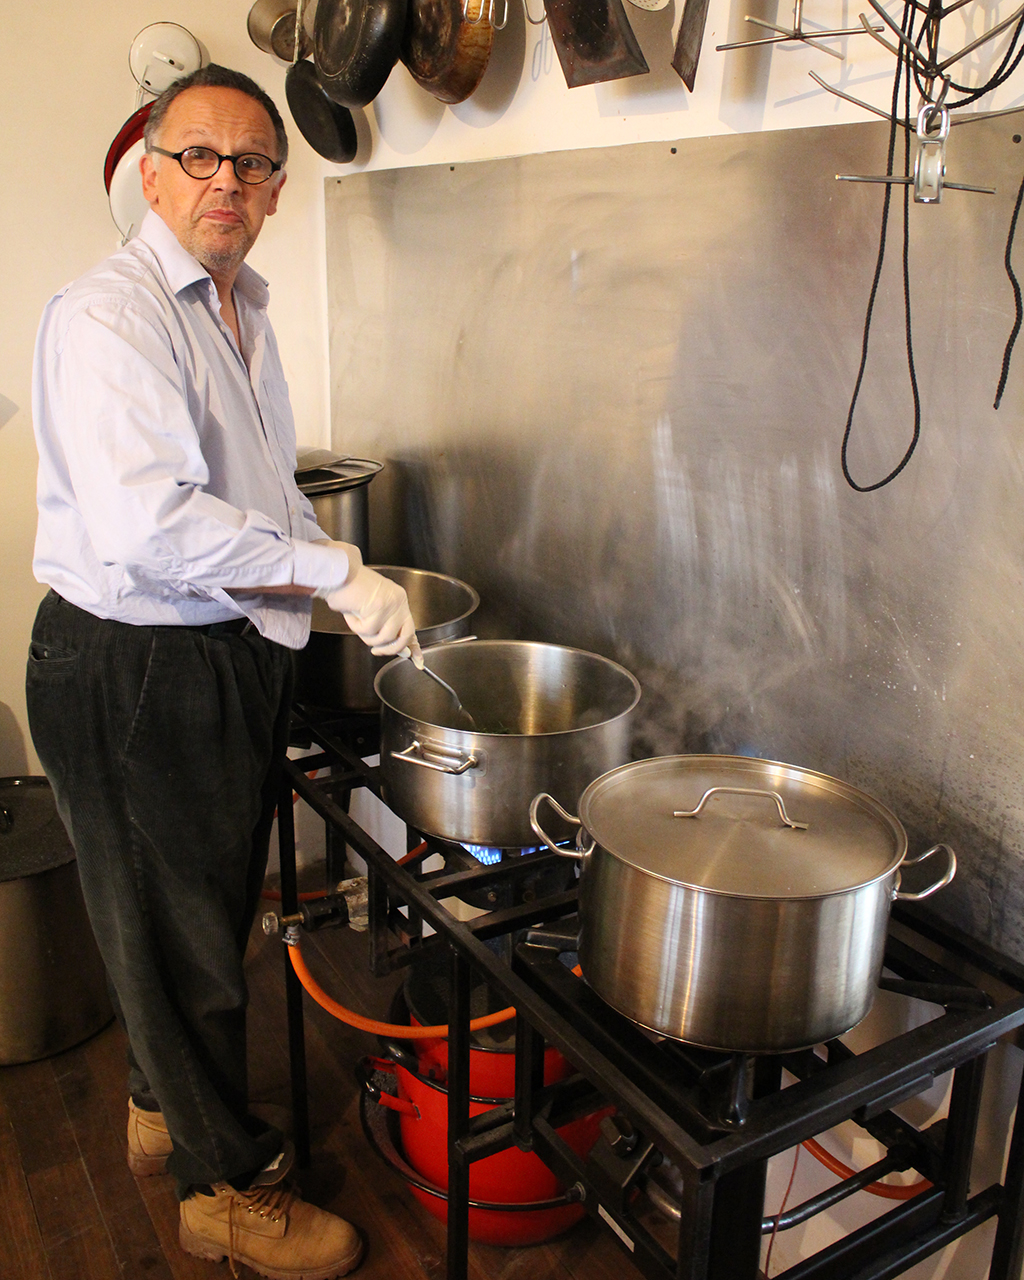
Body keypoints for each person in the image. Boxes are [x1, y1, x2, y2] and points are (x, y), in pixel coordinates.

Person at [25, 64, 418, 1280]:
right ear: (148, 170)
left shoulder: (241, 308)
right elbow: (151, 524)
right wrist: (335, 570)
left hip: (216, 652)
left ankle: (162, 1107)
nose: (226, 181)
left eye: (252, 162)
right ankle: (225, 1190)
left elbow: (249, 487)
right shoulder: (113, 315)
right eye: (199, 155)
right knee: (190, 940)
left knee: (173, 923)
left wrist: (309, 580)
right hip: (139, 661)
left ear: (277, 191)